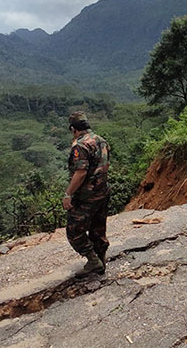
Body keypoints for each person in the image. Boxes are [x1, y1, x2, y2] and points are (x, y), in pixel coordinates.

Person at [64, 111, 111, 277]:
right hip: (102, 192)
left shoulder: (80, 145)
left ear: (73, 129)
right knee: (98, 228)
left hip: (86, 196)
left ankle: (93, 261)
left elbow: (81, 172)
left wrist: (68, 194)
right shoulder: (100, 140)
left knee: (74, 230)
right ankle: (101, 261)